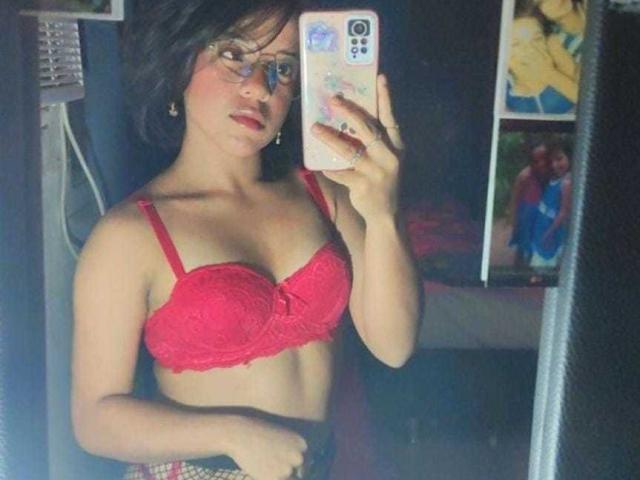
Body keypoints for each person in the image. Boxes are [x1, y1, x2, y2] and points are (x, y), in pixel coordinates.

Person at [71, 1, 422, 480]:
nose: (259, 86)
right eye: (234, 54)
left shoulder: (323, 194)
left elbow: (395, 346)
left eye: (283, 67)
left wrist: (383, 215)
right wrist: (233, 435)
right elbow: (94, 419)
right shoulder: (129, 234)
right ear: (180, 62)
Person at [506, 1, 579, 114]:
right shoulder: (505, 91)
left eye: (537, 39)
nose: (531, 50)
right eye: (516, 44)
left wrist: (548, 73)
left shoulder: (568, 65)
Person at [530, 139, 572, 267]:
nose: (555, 165)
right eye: (552, 161)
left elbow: (564, 212)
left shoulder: (566, 182)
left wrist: (549, 234)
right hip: (542, 226)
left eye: (559, 159)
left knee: (544, 265)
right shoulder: (554, 179)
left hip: (551, 230)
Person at [507, 142, 551, 267]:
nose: (541, 163)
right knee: (522, 243)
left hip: (540, 213)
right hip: (526, 214)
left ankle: (530, 266)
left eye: (544, 159)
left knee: (535, 242)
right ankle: (518, 268)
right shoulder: (524, 176)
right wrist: (514, 219)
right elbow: (515, 198)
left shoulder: (548, 174)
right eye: (536, 161)